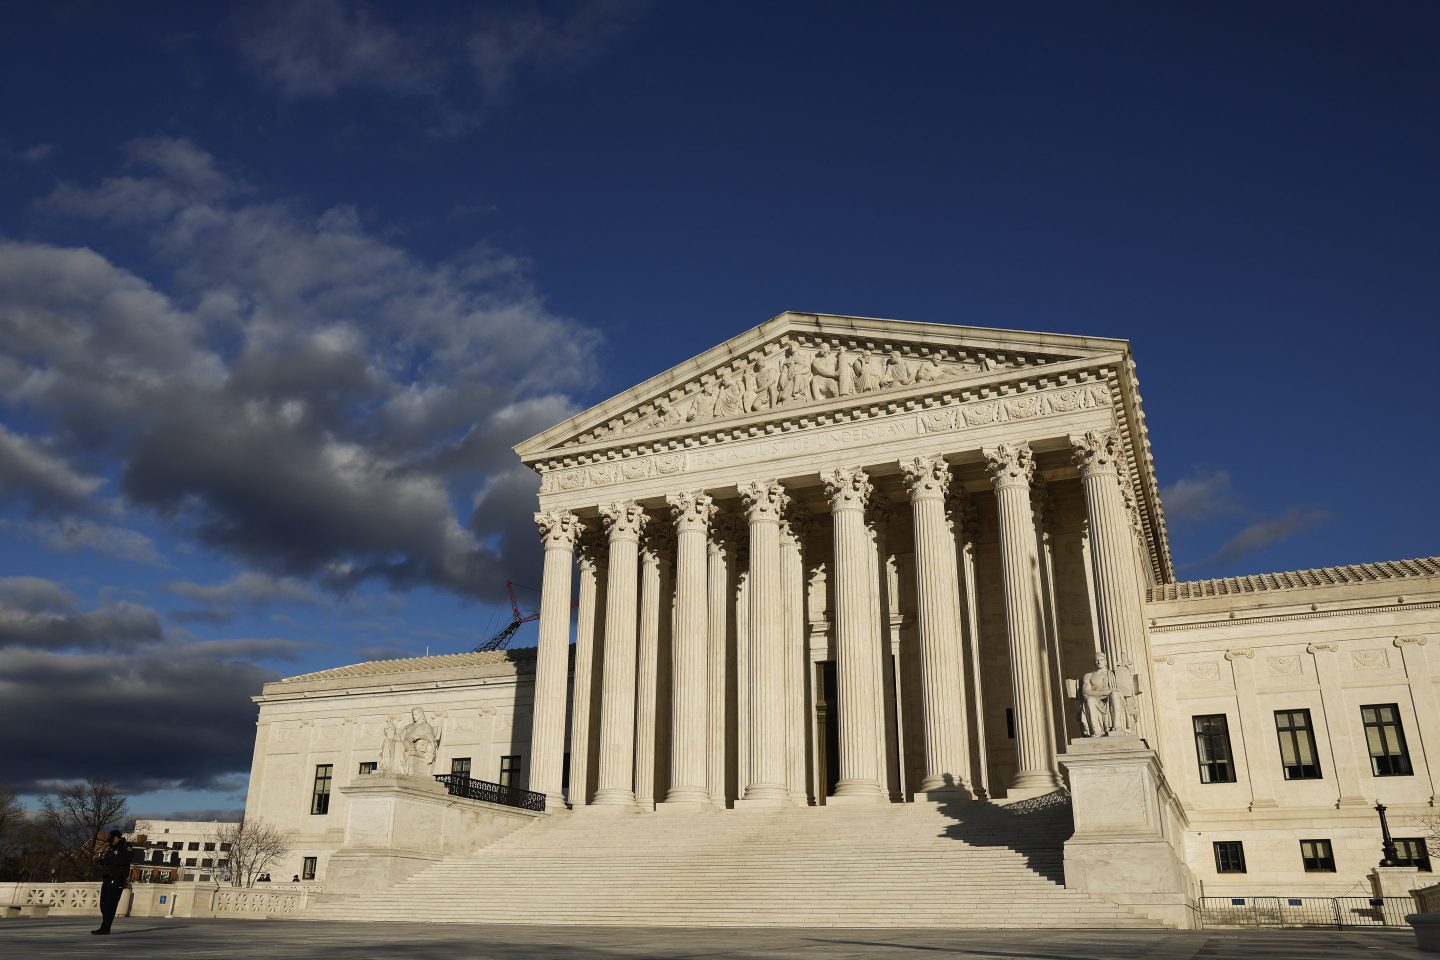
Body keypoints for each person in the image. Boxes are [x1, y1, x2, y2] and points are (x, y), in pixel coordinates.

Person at [92, 830, 130, 935]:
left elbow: (124, 861)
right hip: (108, 878)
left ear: (117, 838)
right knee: (103, 904)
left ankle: (105, 928)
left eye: (112, 838)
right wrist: (103, 862)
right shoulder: (112, 848)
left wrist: (109, 861)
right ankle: (104, 926)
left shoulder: (125, 847)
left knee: (111, 905)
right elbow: (111, 861)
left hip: (117, 879)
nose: (111, 840)